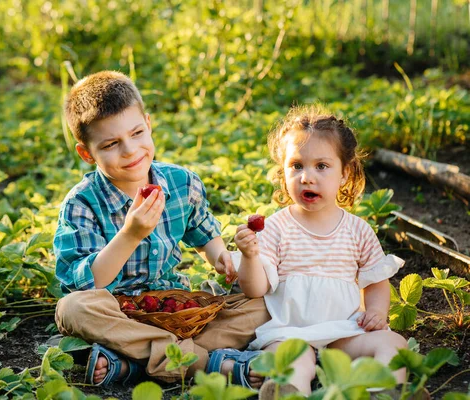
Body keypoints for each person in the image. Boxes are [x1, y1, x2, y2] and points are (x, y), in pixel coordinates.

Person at [53, 71, 270, 388]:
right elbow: (87, 284)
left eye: (137, 133)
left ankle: (133, 363)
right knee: (72, 309)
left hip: (177, 312)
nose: (130, 150)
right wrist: (130, 235)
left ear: (149, 124)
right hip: (118, 314)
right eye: (112, 144)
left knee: (265, 303)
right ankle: (207, 364)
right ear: (87, 153)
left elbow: (202, 231)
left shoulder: (181, 183)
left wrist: (222, 257)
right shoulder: (81, 205)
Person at [233, 105, 407, 396]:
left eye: (321, 166)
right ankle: (289, 390)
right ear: (283, 171)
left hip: (344, 330)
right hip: (291, 331)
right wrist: (250, 257)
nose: (307, 177)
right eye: (297, 166)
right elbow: (255, 288)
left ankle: (382, 389)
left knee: (393, 344)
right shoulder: (276, 228)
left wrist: (376, 311)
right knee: (292, 360)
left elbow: (376, 280)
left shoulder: (357, 230)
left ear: (344, 174)